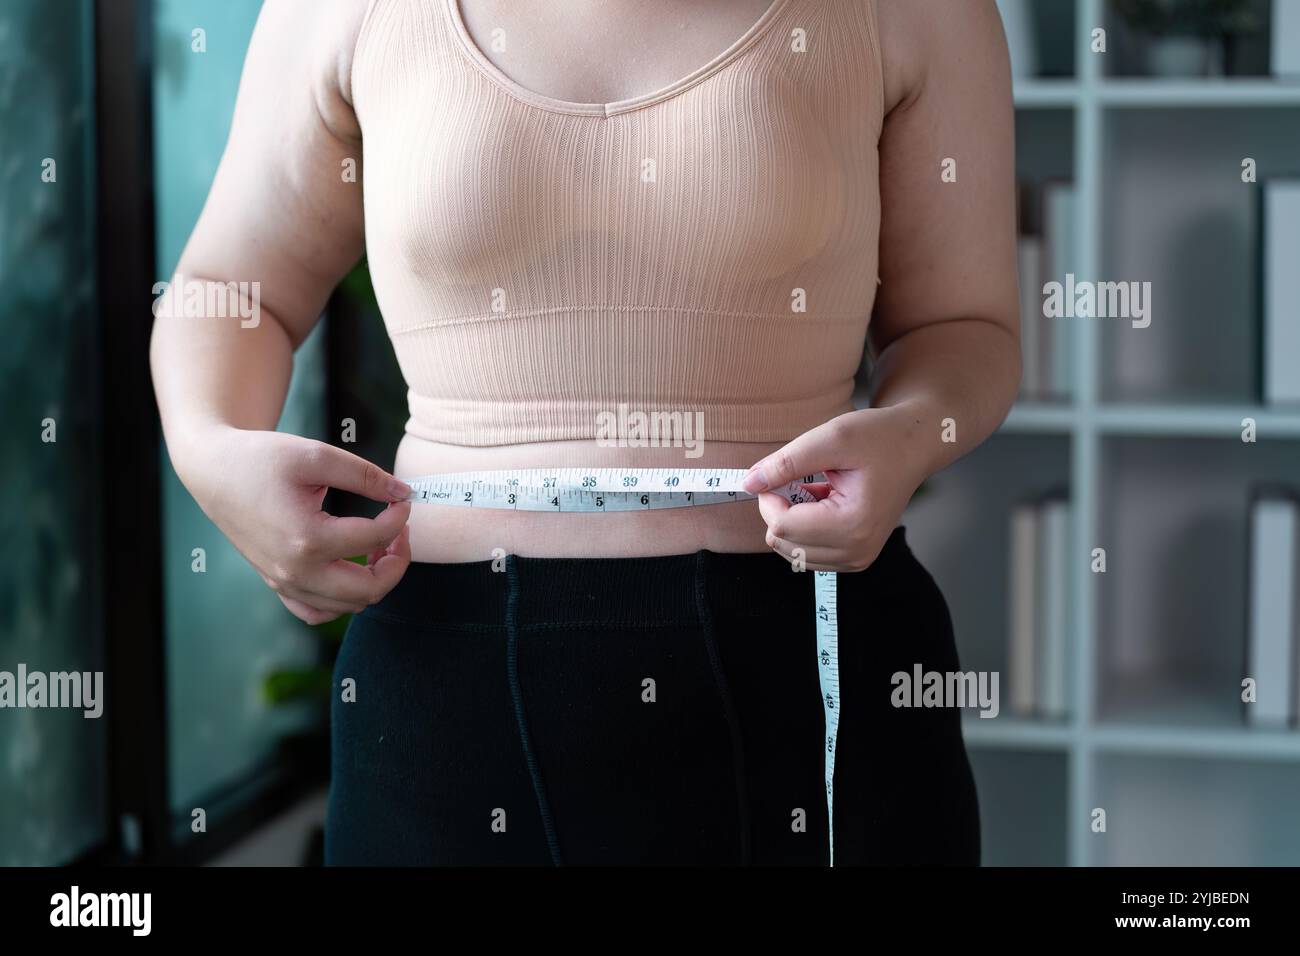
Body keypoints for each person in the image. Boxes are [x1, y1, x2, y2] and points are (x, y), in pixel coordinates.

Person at [150, 0, 1019, 865]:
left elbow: (962, 326)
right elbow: (232, 293)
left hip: (806, 657)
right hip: (444, 694)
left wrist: (908, 433)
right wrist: (209, 450)